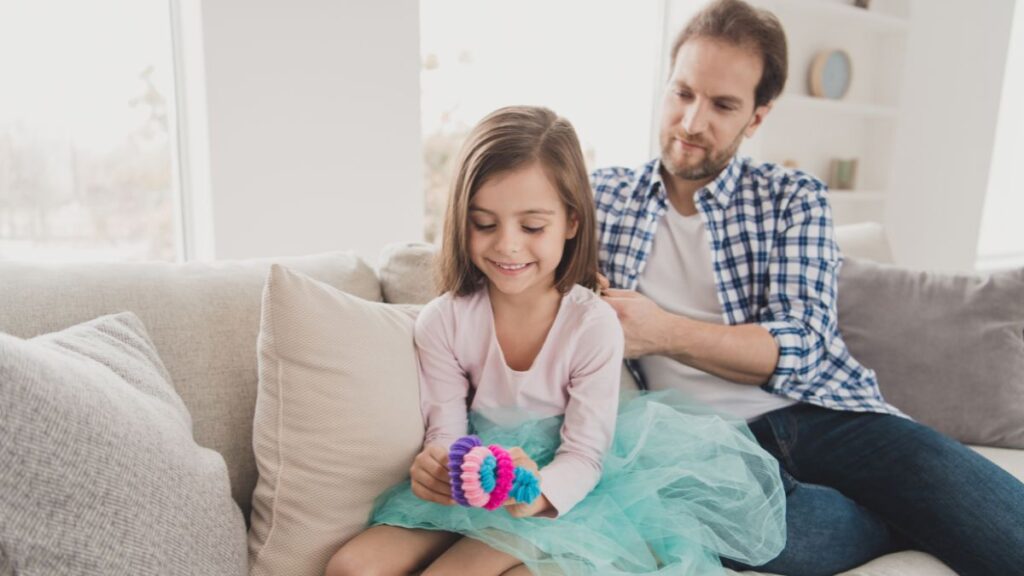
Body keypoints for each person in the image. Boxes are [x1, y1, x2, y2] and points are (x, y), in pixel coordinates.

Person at [592, 1, 1024, 575]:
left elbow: (799, 346)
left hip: (828, 415)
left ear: (757, 117)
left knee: (1001, 526)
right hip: (717, 448)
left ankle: (910, 501)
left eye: (723, 105)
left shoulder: (792, 197)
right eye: (682, 93)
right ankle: (894, 518)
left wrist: (662, 331)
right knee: (777, 540)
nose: (693, 122)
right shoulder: (603, 199)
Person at [325, 105, 785, 576]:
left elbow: (584, 456)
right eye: (484, 223)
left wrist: (538, 492)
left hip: (567, 492)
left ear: (571, 222)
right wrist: (441, 466)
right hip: (481, 483)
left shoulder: (591, 325)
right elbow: (446, 430)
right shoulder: (444, 321)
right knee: (352, 567)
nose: (507, 245)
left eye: (532, 227)